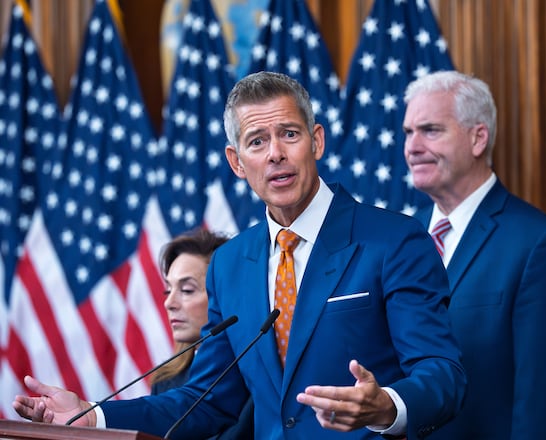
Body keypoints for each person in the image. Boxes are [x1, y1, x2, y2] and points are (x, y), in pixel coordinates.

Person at [13, 71, 467, 439]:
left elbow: (442, 373)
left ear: (317, 142)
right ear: (236, 162)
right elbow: (209, 399)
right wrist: (93, 416)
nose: (275, 154)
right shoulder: (230, 264)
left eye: (289, 134)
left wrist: (387, 405)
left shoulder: (394, 241)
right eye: (257, 141)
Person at [402, 70, 546, 439]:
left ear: (478, 138)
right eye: (408, 132)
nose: (412, 146)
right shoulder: (402, 237)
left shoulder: (542, 245)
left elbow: (545, 404)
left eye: (430, 130)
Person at [149, 229, 253, 440]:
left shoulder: (256, 375)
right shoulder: (166, 379)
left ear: (225, 295)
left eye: (187, 290)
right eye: (168, 290)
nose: (169, 303)